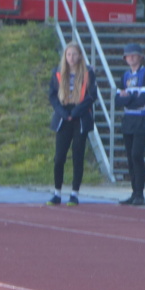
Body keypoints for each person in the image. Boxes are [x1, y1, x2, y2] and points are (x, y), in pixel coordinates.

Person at [46, 41, 97, 206]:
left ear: (80, 56)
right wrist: (63, 112)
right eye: (69, 54)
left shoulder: (88, 73)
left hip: (80, 115)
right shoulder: (57, 72)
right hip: (63, 114)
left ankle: (74, 193)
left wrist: (76, 112)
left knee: (78, 155)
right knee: (59, 157)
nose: (71, 58)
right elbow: (52, 95)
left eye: (74, 54)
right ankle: (57, 192)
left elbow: (91, 95)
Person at [115, 43, 145, 206]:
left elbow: (143, 100)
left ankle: (140, 194)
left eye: (134, 55)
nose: (131, 58)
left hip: (143, 118)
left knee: (136, 155)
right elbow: (117, 100)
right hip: (128, 119)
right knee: (129, 157)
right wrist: (129, 99)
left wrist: (128, 98)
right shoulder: (125, 76)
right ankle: (134, 193)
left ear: (140, 56)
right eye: (128, 55)